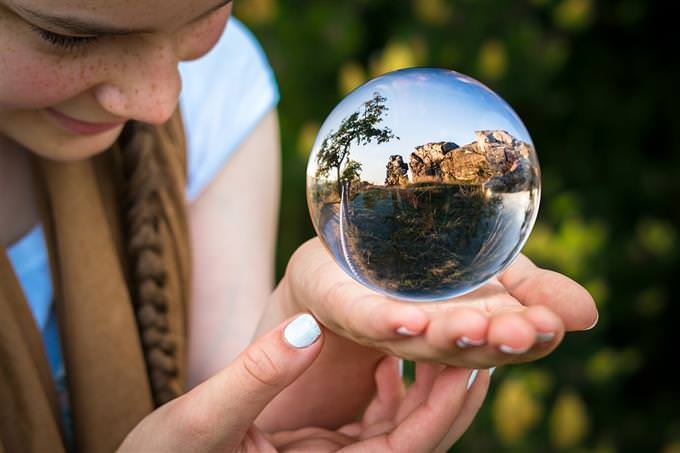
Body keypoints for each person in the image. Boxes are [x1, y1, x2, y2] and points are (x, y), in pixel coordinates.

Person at [0, 0, 599, 452]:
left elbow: (226, 410)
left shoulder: (219, 90)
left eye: (205, 15)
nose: (159, 103)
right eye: (64, 36)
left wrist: (313, 354)